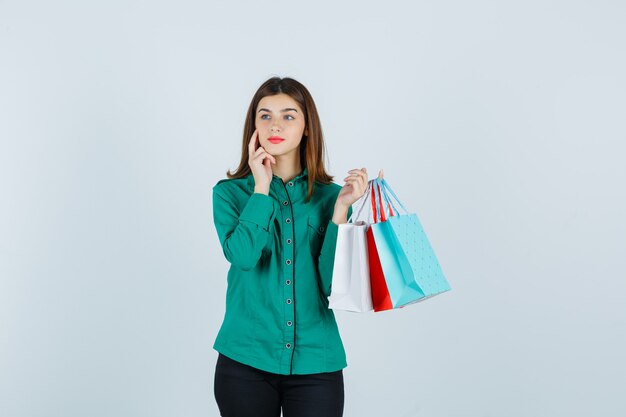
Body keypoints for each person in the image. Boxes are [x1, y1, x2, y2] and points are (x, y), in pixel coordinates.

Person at [211, 76, 369, 417]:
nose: (275, 125)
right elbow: (243, 256)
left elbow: (332, 286)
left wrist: (341, 210)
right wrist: (261, 190)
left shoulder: (330, 198)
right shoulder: (229, 194)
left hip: (316, 363)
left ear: (307, 127)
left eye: (288, 115)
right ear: (253, 126)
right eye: (264, 115)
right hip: (244, 362)